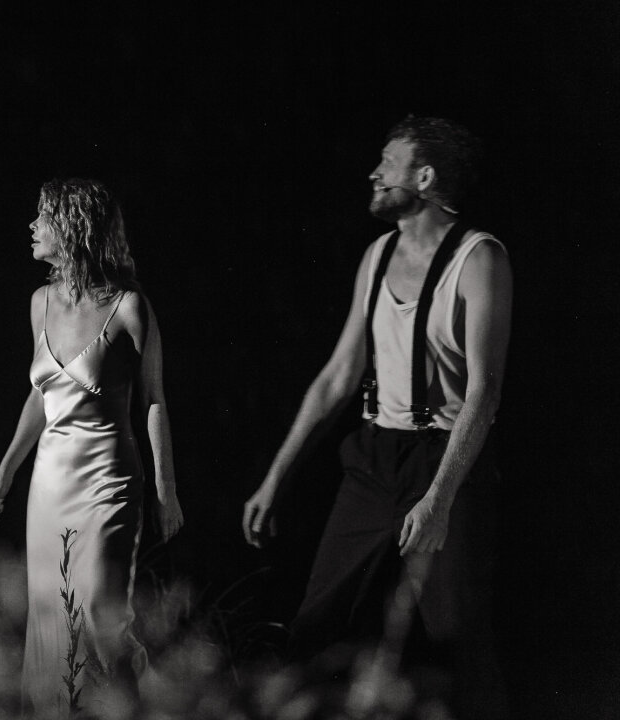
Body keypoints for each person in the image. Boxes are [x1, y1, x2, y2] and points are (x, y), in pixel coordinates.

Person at [242, 116, 511, 717]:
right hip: (375, 459)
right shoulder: (377, 255)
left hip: (446, 458)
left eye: (388, 163)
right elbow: (339, 374)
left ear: (425, 176)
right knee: (316, 625)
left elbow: (484, 393)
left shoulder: (480, 258)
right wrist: (275, 478)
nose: (374, 173)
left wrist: (439, 498)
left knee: (456, 641)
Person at [0, 178, 184, 714]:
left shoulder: (129, 306)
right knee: (50, 618)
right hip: (49, 486)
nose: (32, 226)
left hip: (107, 482)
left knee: (99, 609)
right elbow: (42, 396)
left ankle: (137, 707)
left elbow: (154, 400)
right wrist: (5, 472)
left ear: (74, 226)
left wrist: (166, 489)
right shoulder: (40, 303)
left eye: (43, 216)